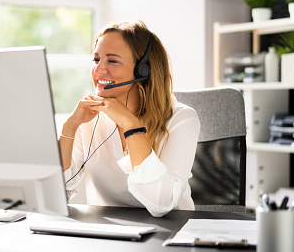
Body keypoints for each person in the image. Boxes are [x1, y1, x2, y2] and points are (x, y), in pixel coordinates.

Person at [58, 20, 200, 217]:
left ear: (144, 70)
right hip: (108, 235)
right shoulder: (89, 118)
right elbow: (58, 193)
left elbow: (161, 204)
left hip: (170, 233)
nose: (98, 70)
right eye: (96, 59)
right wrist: (70, 127)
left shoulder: (181, 119)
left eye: (112, 60)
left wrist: (131, 125)